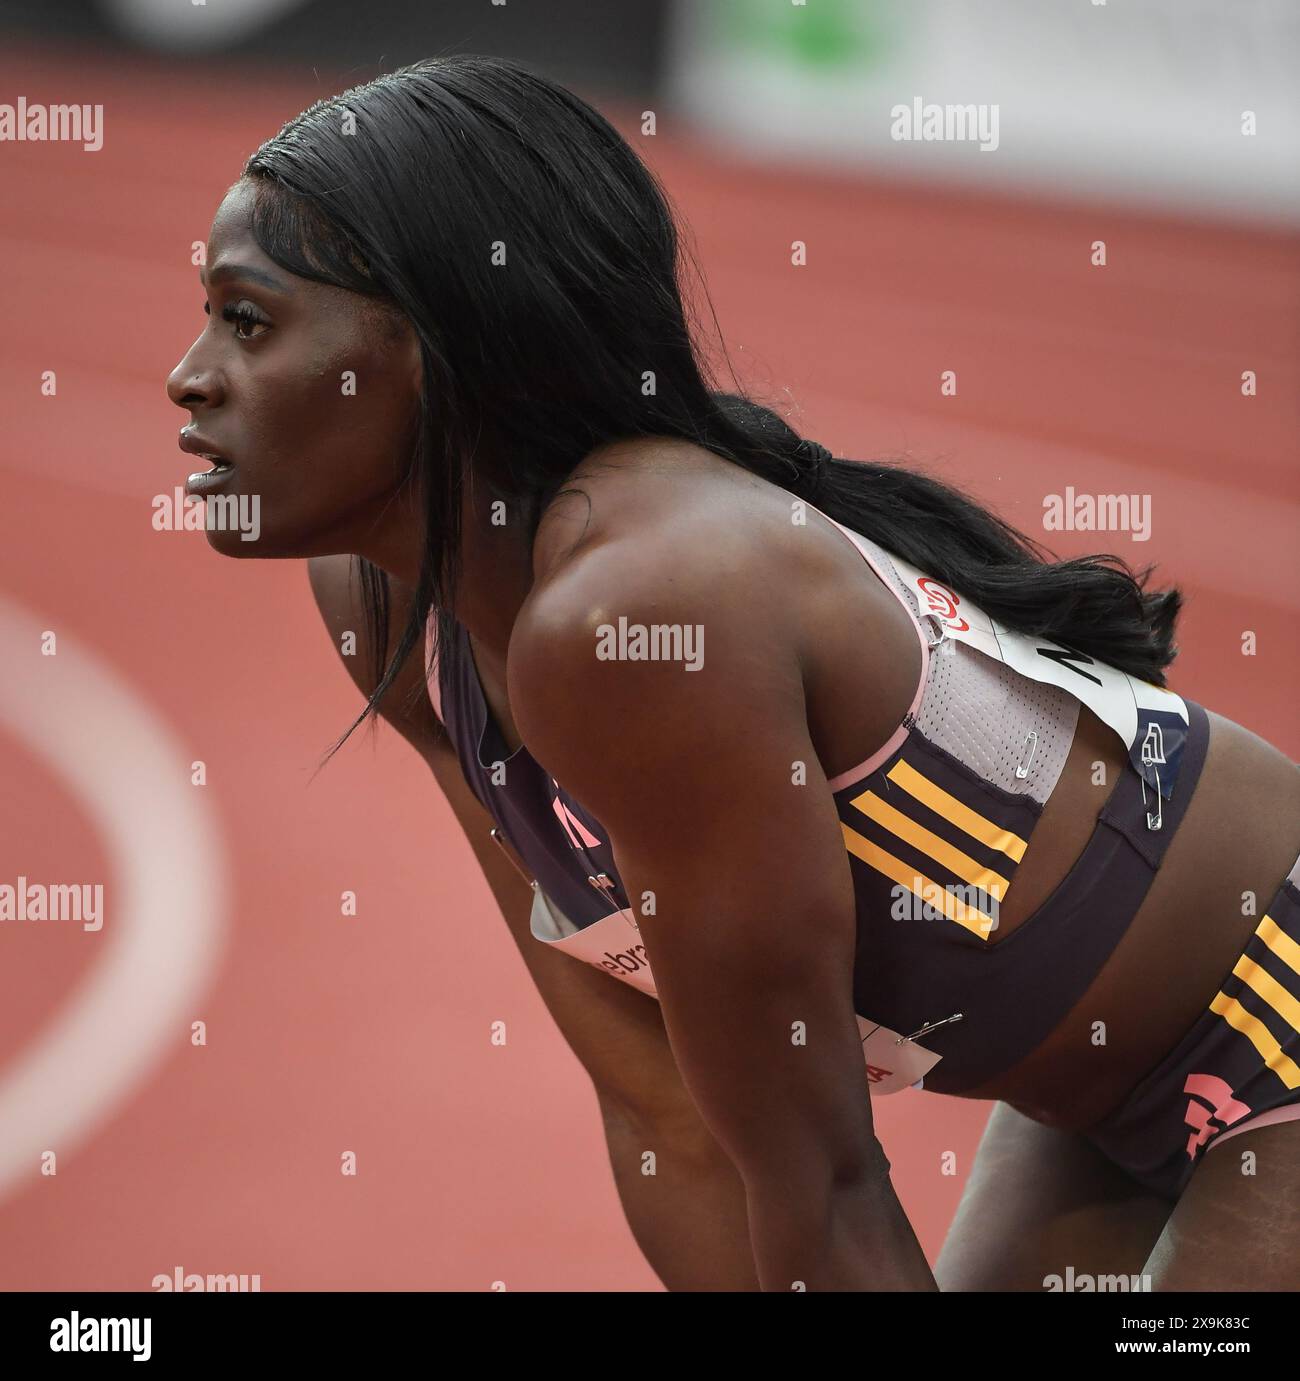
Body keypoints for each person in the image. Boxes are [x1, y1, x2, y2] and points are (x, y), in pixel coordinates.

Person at [166, 56, 1300, 1291]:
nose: (189, 374)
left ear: (436, 343)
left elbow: (819, 1181)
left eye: (249, 318)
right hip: (1086, 1106)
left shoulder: (641, 614)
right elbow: (674, 1123)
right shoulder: (392, 608)